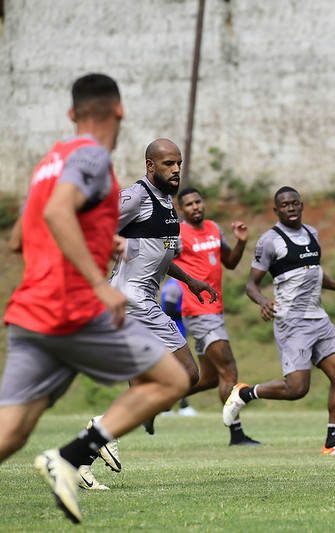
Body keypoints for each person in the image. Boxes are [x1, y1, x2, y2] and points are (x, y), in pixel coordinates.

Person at [0, 73, 190, 524]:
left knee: (11, 434)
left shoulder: (52, 159)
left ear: (71, 113)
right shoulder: (92, 156)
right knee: (172, 380)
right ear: (119, 111)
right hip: (71, 309)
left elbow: (17, 238)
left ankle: (73, 455)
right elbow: (56, 212)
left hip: (30, 311)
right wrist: (98, 281)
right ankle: (72, 456)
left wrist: (102, 240)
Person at [80, 138, 218, 487]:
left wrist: (191, 281)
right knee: (186, 375)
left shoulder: (168, 205)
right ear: (150, 165)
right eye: (168, 164)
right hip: (132, 301)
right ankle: (102, 426)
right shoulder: (136, 197)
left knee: (145, 383)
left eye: (179, 164)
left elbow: (162, 255)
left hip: (142, 301)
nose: (176, 170)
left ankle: (81, 460)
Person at [223, 186, 335, 455]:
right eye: (285, 205)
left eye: (295, 203)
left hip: (319, 319)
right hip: (291, 322)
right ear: (276, 210)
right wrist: (263, 302)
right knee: (297, 389)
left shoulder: (312, 234)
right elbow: (251, 285)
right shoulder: (269, 241)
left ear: (302, 206)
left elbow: (313, 272)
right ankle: (245, 393)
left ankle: (331, 443)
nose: (291, 208)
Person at [172, 187, 260, 444]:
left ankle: (161, 400)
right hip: (198, 310)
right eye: (188, 204)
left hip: (215, 311)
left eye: (198, 201)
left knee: (209, 378)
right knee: (229, 369)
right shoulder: (178, 234)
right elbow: (164, 262)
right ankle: (237, 434)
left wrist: (241, 241)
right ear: (181, 210)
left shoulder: (212, 227)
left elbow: (230, 262)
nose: (195, 207)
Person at [160, 277, 197, 416]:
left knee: (181, 371)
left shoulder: (177, 283)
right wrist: (190, 310)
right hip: (171, 333)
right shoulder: (174, 285)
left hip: (177, 333)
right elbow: (168, 308)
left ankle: (178, 406)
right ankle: (172, 406)